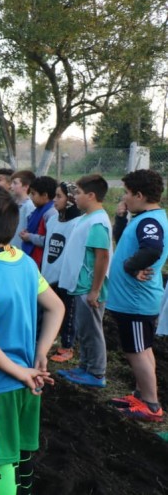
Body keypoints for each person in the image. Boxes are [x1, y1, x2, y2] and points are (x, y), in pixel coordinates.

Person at [0, 186, 65, 495]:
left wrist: (21, 372)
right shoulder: (25, 263)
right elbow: (56, 307)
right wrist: (40, 353)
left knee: (2, 460)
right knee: (22, 451)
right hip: (31, 381)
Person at [105, 169, 167, 422]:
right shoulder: (143, 218)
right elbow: (128, 244)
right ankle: (141, 395)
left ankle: (151, 405)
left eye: (128, 193)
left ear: (140, 195)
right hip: (132, 301)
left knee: (137, 351)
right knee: (140, 349)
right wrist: (120, 220)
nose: (125, 198)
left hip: (136, 301)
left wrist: (131, 267)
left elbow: (152, 249)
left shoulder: (150, 222)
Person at [58, 174, 112, 388]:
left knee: (92, 331)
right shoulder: (88, 217)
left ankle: (97, 373)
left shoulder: (98, 222)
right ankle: (85, 366)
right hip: (80, 286)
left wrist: (95, 290)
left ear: (91, 195)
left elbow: (103, 256)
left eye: (78, 193)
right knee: (83, 329)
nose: (75, 198)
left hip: (89, 288)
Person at [42, 181, 82, 363]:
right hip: (49, 274)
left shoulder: (78, 224)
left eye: (59, 196)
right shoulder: (52, 220)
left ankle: (67, 346)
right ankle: (51, 339)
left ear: (71, 199)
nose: (54, 200)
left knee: (68, 313)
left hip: (66, 277)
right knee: (48, 310)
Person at [20, 175, 58, 268]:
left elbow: (50, 241)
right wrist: (27, 233)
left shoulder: (51, 214)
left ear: (45, 195)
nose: (31, 197)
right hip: (33, 258)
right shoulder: (37, 211)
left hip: (41, 262)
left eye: (33, 194)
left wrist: (30, 237)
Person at [9, 170, 36, 249]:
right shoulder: (12, 204)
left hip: (21, 251)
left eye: (15, 183)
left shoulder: (29, 206)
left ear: (26, 187)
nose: (11, 186)